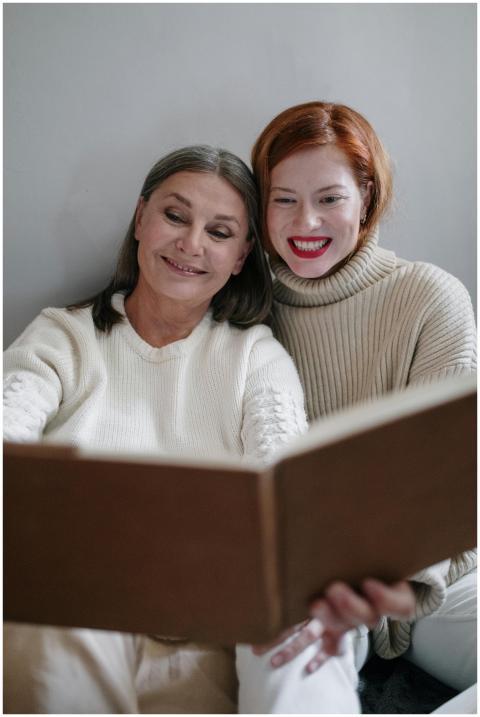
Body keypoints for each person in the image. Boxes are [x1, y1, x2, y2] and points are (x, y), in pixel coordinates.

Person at [4, 144, 371, 714]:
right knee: (59, 599)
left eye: (219, 232)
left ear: (243, 254)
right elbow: (9, 429)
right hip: (80, 618)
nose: (191, 244)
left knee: (302, 607)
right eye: (175, 216)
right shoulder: (62, 337)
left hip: (214, 631)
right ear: (141, 219)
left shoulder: (255, 356)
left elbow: (288, 487)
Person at [250, 102, 477, 696]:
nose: (306, 222)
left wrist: (397, 589)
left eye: (330, 197)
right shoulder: (246, 311)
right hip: (313, 581)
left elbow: (442, 472)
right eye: (284, 199)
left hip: (444, 576)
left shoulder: (430, 297)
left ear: (367, 196)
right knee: (289, 678)